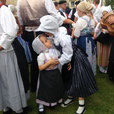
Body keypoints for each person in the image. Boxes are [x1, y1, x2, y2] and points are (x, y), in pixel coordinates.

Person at [0, 0, 27, 114]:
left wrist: (1, 45)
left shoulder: (4, 10)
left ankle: (16, 107)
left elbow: (11, 31)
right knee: (3, 81)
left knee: (10, 80)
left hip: (6, 51)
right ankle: (6, 105)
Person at [32, 34, 64, 114]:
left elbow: (58, 59)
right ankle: (41, 104)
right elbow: (40, 67)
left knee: (54, 87)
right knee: (44, 90)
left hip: (55, 73)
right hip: (45, 76)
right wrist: (49, 63)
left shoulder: (54, 51)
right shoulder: (41, 56)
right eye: (46, 41)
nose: (49, 41)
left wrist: (55, 63)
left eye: (47, 39)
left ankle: (53, 101)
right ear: (41, 46)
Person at [72, 1, 96, 75]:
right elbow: (92, 31)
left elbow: (76, 35)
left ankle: (83, 75)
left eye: (77, 10)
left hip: (82, 41)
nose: (77, 12)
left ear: (81, 11)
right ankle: (90, 74)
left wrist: (74, 29)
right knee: (90, 58)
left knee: (82, 58)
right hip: (90, 40)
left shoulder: (80, 20)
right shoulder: (91, 19)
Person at [94, 5, 112, 73]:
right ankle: (101, 67)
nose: (104, 15)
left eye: (106, 14)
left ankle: (107, 66)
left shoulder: (111, 21)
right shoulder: (101, 22)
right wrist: (96, 34)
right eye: (103, 14)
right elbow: (96, 29)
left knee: (108, 53)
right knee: (101, 53)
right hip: (102, 40)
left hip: (109, 39)